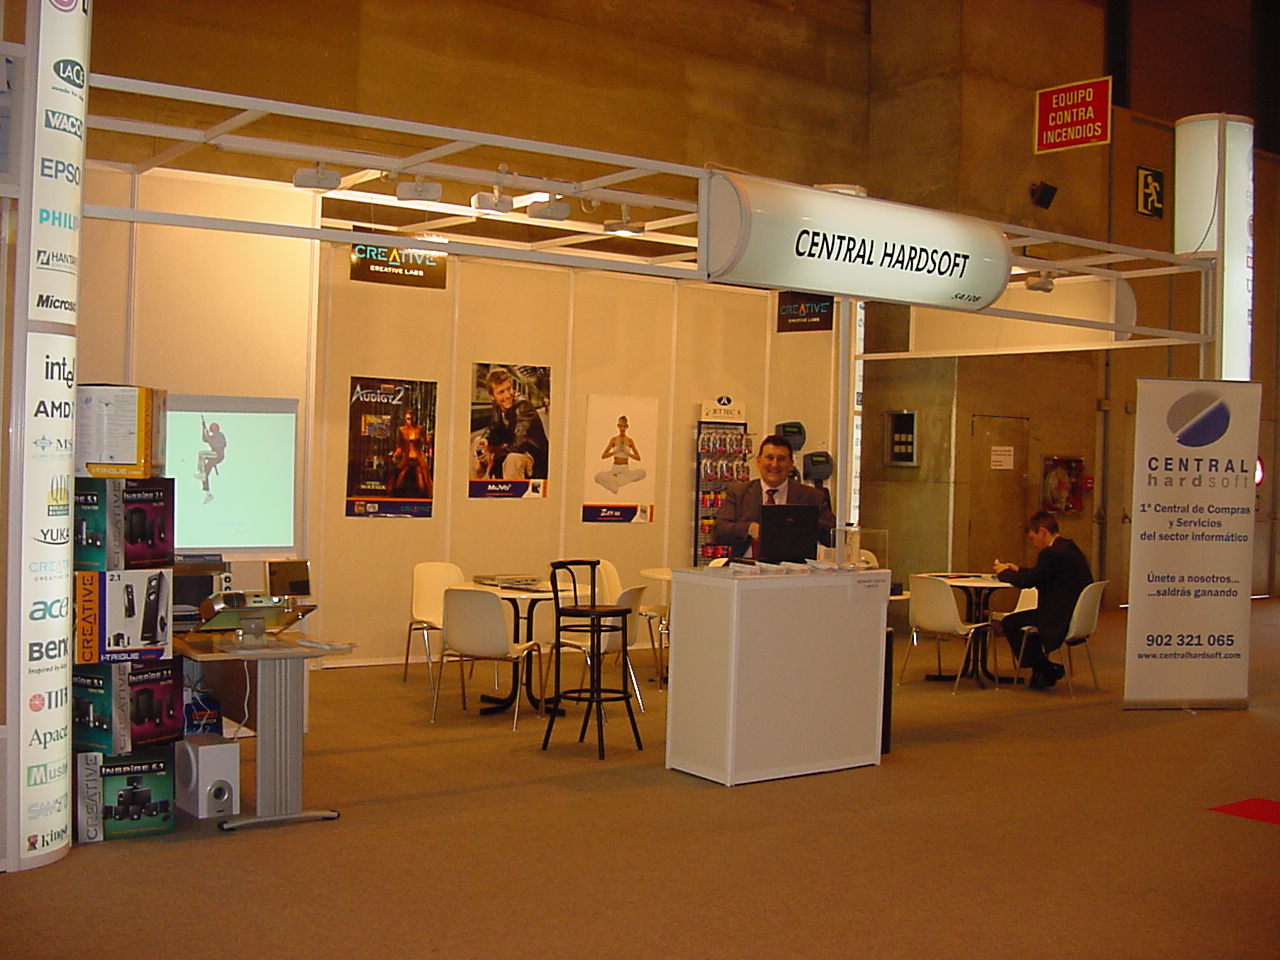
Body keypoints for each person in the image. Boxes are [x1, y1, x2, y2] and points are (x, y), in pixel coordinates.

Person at [994, 511, 1094, 689]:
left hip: (1057, 616)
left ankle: (1046, 669)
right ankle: (1044, 671)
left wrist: (1003, 573)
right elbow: (1041, 574)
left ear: (1042, 531)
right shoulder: (1069, 548)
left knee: (1010, 623)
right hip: (1073, 613)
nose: (1033, 545)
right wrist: (1018, 570)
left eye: (1033, 538)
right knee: (1026, 622)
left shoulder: (1051, 553)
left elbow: (1027, 582)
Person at [713, 434, 835, 558]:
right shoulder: (738, 493)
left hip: (796, 567)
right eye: (769, 458)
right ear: (758, 461)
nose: (775, 464)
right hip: (747, 566)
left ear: (791, 464)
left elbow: (834, 536)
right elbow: (719, 531)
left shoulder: (812, 496)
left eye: (781, 459)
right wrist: (749, 528)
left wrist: (803, 525)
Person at [482, 367, 549, 480]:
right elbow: (493, 427)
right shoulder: (498, 407)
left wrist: (495, 455)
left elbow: (519, 445)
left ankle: (514, 490)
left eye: (509, 389)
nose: (508, 395)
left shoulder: (523, 407)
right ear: (492, 396)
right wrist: (485, 439)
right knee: (477, 444)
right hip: (510, 449)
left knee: (513, 460)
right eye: (501, 392)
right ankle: (472, 486)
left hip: (532, 457)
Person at [594, 415, 645, 494]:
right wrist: (615, 452)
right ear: (618, 426)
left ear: (627, 427)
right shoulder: (614, 440)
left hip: (625, 469)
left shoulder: (630, 441)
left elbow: (638, 458)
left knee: (642, 473)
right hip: (615, 469)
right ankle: (617, 481)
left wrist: (627, 453)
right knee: (597, 477)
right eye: (620, 426)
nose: (622, 429)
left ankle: (615, 482)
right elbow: (603, 456)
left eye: (624, 426)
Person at [389, 406, 432, 497]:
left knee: (422, 482)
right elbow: (400, 446)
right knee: (399, 480)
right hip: (406, 458)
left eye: (412, 419)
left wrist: (428, 441)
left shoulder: (420, 429)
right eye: (408, 419)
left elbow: (425, 443)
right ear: (405, 419)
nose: (410, 421)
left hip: (418, 457)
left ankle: (426, 497)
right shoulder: (402, 430)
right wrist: (395, 455)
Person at [196, 416, 226, 505]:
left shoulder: (220, 436)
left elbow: (220, 445)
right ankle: (207, 493)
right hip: (213, 456)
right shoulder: (212, 436)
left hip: (218, 455)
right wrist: (203, 428)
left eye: (214, 427)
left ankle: (200, 473)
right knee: (205, 472)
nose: (212, 429)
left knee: (202, 454)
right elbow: (205, 439)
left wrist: (210, 440)